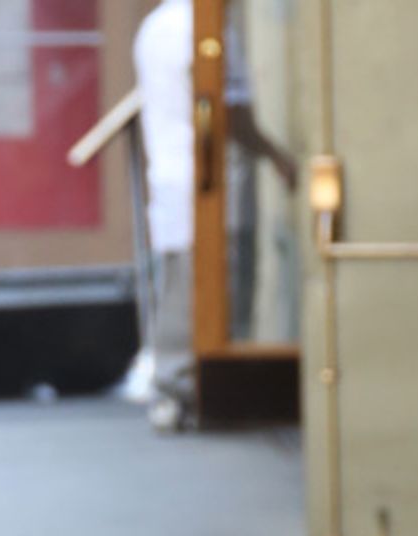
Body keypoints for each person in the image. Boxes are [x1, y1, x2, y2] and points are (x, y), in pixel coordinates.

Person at [132, 0, 295, 431]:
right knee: (216, 292)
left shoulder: (154, 26)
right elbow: (227, 111)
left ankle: (173, 390)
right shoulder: (208, 31)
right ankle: (210, 393)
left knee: (178, 287)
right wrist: (277, 156)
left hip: (170, 177)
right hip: (210, 184)